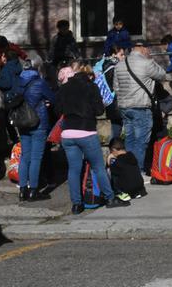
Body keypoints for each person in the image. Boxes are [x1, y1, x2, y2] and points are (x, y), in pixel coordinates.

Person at [55, 65, 129, 214]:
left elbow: (58, 110)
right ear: (89, 76)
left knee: (74, 169)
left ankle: (76, 204)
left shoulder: (64, 88)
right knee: (98, 167)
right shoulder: (91, 87)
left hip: (68, 133)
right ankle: (110, 198)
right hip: (86, 131)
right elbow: (99, 110)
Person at [113, 41, 166, 176]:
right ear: (144, 49)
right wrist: (151, 60)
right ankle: (139, 171)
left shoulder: (119, 64)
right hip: (141, 106)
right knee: (141, 141)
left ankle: (129, 170)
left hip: (124, 107)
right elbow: (162, 74)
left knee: (129, 139)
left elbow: (116, 87)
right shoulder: (147, 63)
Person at [16, 60, 56, 202]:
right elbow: (53, 98)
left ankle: (22, 190)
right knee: (36, 158)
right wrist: (46, 102)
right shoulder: (40, 83)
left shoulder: (18, 82)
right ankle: (33, 190)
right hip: (39, 123)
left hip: (22, 123)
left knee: (25, 157)